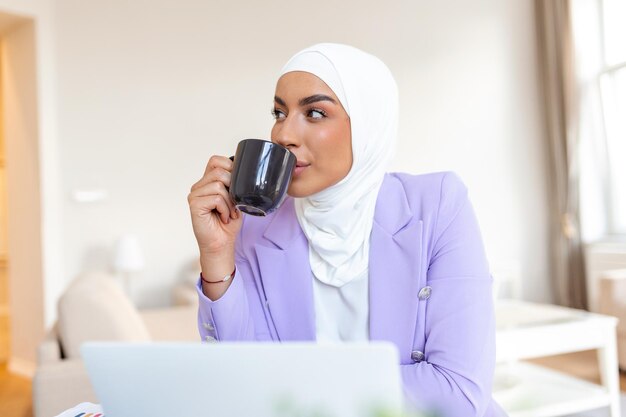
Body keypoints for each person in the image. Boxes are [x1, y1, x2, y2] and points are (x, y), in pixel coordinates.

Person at [187, 43, 506, 417]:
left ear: (367, 124)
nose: (284, 134)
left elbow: (457, 394)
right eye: (279, 112)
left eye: (315, 112)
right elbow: (238, 384)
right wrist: (216, 254)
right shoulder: (256, 225)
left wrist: (290, 385)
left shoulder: (437, 206)